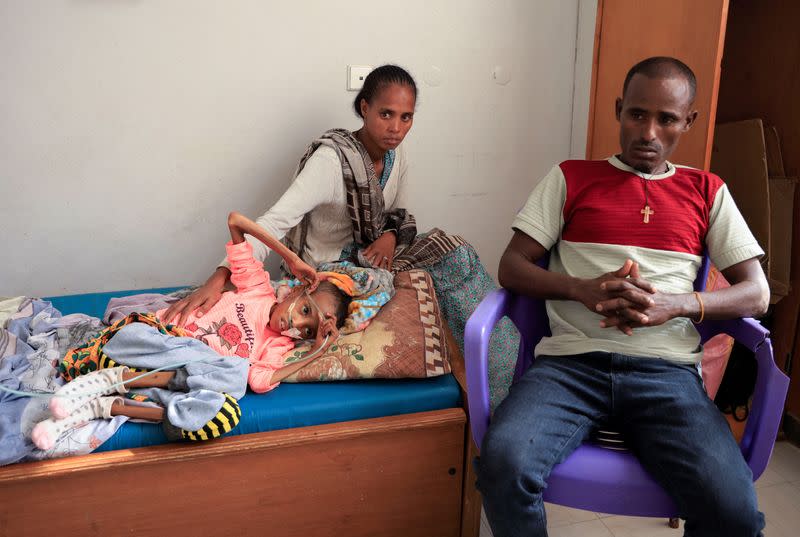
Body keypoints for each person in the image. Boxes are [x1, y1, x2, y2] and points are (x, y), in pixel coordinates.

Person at [476, 57, 769, 537]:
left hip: (666, 375)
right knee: (503, 465)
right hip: (571, 366)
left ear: (687, 122)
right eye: (637, 114)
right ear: (619, 110)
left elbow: (756, 293)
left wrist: (677, 304)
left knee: (734, 512)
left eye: (667, 119)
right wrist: (580, 290)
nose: (649, 132)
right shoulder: (570, 178)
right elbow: (512, 266)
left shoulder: (707, 191)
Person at [163, 64, 520, 409]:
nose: (395, 128)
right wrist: (219, 277)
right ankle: (490, 378)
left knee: (456, 254)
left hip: (371, 259)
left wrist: (391, 237)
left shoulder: (398, 155)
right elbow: (275, 221)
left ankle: (504, 363)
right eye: (386, 114)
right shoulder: (332, 162)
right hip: (328, 273)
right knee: (445, 265)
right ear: (364, 108)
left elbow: (399, 214)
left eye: (405, 117)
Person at [31, 212, 347, 450]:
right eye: (306, 311)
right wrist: (291, 258)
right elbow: (236, 221)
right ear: (295, 292)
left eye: (307, 332)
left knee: (227, 399)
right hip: (152, 341)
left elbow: (259, 381)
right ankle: (106, 385)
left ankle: (97, 403)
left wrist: (317, 350)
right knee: (226, 371)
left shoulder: (277, 347)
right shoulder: (257, 288)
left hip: (177, 378)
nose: (297, 326)